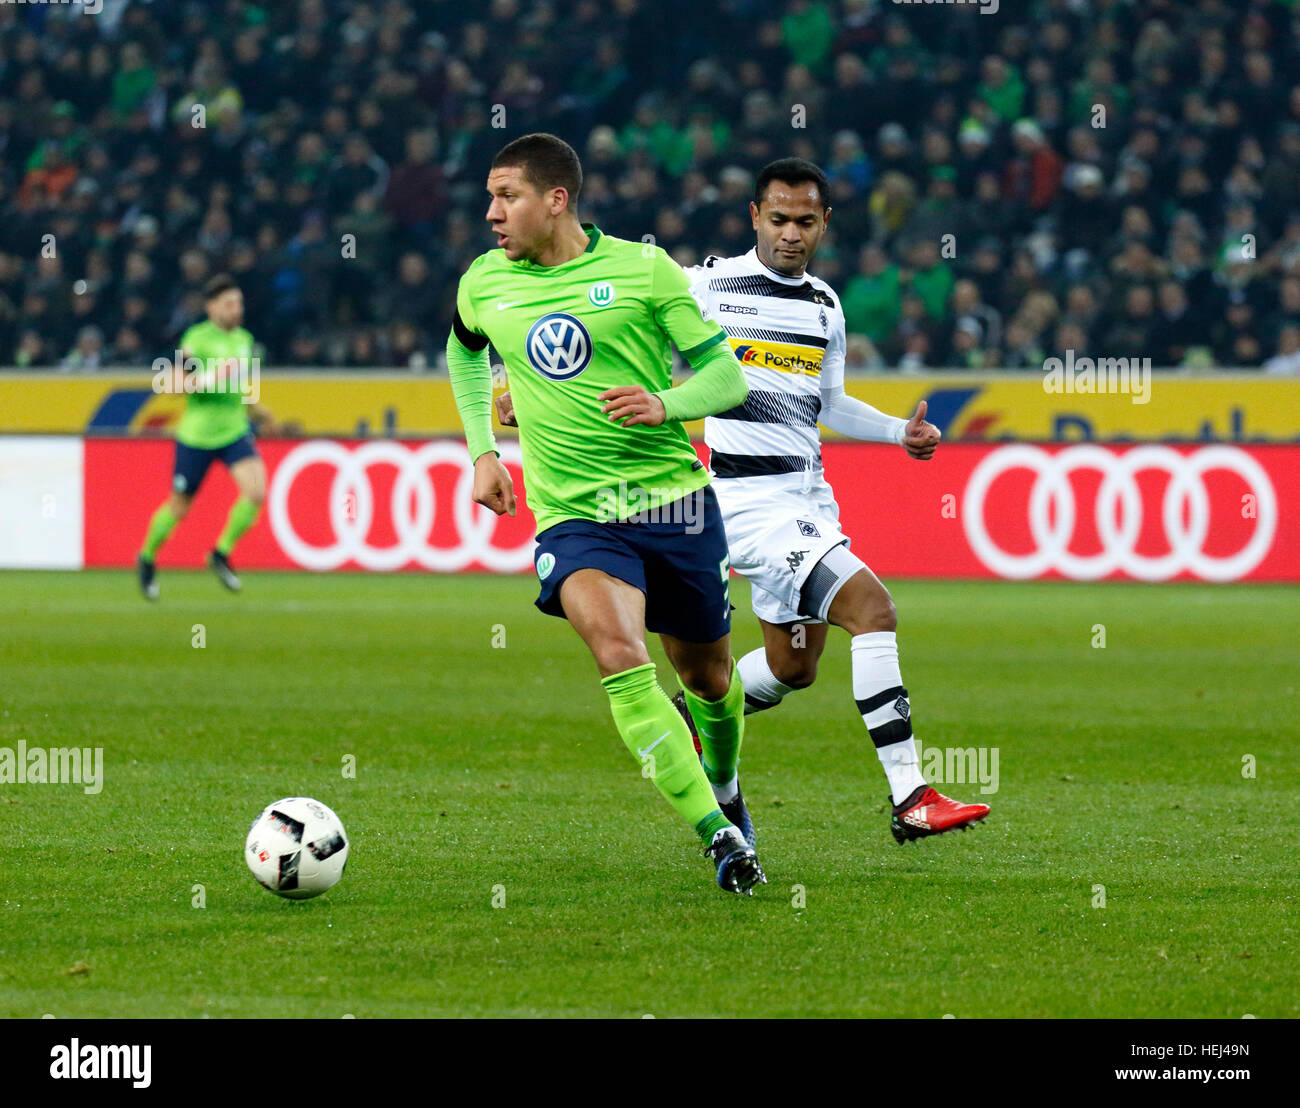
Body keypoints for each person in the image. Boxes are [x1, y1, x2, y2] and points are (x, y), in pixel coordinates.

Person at [445, 133, 765, 894]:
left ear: (556, 200)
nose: (492, 213)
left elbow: (727, 379)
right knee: (621, 657)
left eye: (507, 196)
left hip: (675, 506)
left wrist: (667, 404)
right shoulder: (484, 282)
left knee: (710, 679)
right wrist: (481, 450)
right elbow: (463, 351)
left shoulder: (644, 269)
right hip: (575, 517)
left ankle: (723, 787)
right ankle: (718, 836)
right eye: (490, 197)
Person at [683, 158, 990, 845]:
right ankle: (910, 794)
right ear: (754, 217)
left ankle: (692, 716)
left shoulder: (824, 303)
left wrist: (895, 433)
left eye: (806, 221)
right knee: (872, 608)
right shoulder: (708, 286)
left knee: (794, 666)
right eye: (779, 219)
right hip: (748, 504)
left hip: (808, 498)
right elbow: (623, 323)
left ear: (826, 223)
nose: (792, 234)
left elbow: (829, 403)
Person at [137, 274, 279, 599]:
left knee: (256, 491)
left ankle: (220, 553)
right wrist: (209, 377)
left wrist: (261, 411)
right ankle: (146, 558)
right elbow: (170, 386)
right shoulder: (196, 340)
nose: (236, 309)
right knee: (179, 506)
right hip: (198, 435)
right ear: (211, 307)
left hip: (234, 430)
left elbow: (241, 390)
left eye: (239, 303)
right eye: (229, 304)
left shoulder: (244, 340)